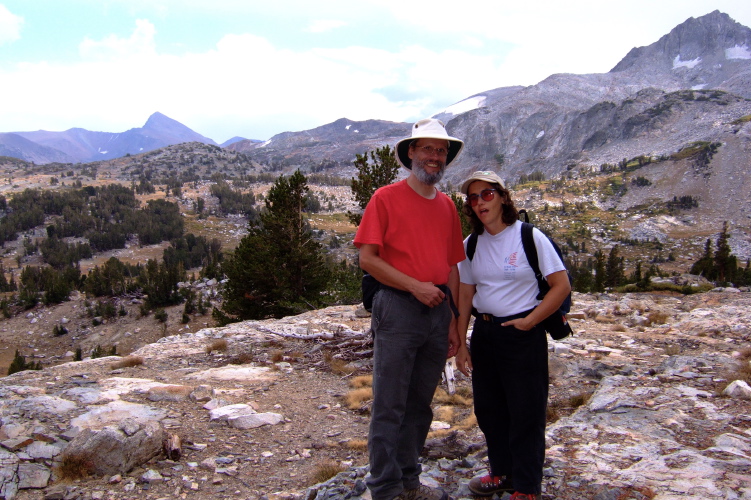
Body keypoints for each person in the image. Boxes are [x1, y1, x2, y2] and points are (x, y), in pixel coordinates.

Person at [354, 118, 466, 500]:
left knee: (420, 402)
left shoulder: (448, 206)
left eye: (441, 151)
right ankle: (384, 487)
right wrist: (415, 286)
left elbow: (452, 266)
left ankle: (409, 478)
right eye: (428, 149)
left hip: (437, 311)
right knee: (390, 402)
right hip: (398, 306)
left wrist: (453, 320)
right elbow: (368, 259)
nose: (435, 157)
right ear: (411, 154)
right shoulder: (385, 198)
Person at [454, 171, 571, 500]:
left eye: (487, 194)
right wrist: (462, 343)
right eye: (473, 198)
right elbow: (465, 296)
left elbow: (560, 285)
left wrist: (530, 320)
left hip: (522, 334)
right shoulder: (471, 245)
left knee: (526, 411)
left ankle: (527, 486)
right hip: (486, 333)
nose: (479, 203)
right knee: (489, 409)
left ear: (503, 197)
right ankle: (502, 473)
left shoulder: (529, 237)